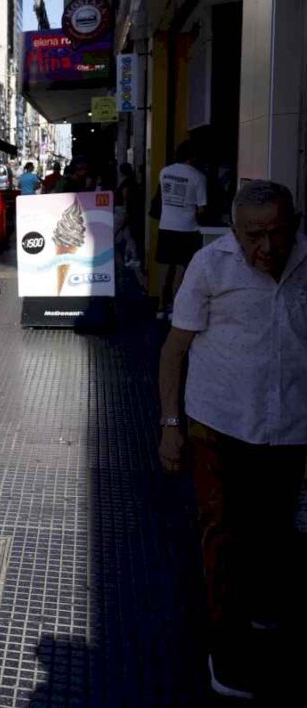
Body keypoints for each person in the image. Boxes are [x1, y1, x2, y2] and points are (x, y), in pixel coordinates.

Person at [158, 180, 306, 701]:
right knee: (222, 536)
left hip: (289, 427)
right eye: (254, 235)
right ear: (236, 229)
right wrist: (171, 426)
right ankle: (226, 649)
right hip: (219, 426)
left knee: (273, 527)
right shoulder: (210, 265)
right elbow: (173, 351)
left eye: (277, 233)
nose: (267, 247)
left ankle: (262, 607)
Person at [156, 141, 208, 318]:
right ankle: (174, 309)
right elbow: (202, 208)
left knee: (164, 269)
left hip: (165, 226)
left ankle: (160, 307)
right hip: (187, 229)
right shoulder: (198, 177)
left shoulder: (164, 172)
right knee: (180, 270)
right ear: (193, 156)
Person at [114, 162, 144, 267]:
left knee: (113, 235)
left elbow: (125, 199)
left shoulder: (126, 184)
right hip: (124, 212)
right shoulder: (131, 182)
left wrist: (126, 213)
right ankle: (133, 257)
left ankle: (129, 259)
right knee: (128, 236)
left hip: (121, 212)